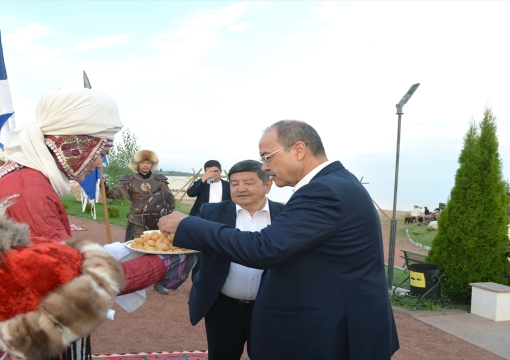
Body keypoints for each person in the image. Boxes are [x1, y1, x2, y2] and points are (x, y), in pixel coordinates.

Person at [0, 87, 196, 360]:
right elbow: (68, 283)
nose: (99, 163)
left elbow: (45, 256)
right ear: (73, 144)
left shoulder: (22, 174)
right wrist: (159, 265)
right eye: (100, 150)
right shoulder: (29, 187)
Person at [159, 120, 399, 359]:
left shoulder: (323, 191)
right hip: (338, 321)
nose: (265, 166)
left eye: (267, 157)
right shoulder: (337, 183)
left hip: (337, 330)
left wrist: (186, 224)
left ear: (299, 149)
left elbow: (264, 248)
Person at [189, 160, 284, 359]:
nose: (240, 188)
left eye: (249, 182)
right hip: (222, 307)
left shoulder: (286, 215)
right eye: (234, 183)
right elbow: (188, 243)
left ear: (268, 185)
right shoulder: (210, 213)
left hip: (271, 310)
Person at [105, 150, 172, 294]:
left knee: (159, 251)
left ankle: (159, 282)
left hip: (156, 221)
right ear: (137, 164)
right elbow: (115, 194)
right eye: (142, 162)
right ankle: (125, 280)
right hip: (135, 221)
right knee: (130, 250)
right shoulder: (129, 179)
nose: (145, 165)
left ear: (152, 164)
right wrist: (104, 187)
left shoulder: (159, 180)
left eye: (148, 162)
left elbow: (167, 199)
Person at [186, 160, 231, 279]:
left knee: (219, 251)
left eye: (216, 171)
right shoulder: (203, 184)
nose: (214, 174)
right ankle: (196, 280)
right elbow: (190, 193)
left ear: (221, 171)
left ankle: (216, 279)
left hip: (221, 221)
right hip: (202, 220)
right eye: (210, 171)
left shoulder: (228, 185)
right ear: (206, 172)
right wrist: (202, 179)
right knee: (200, 252)